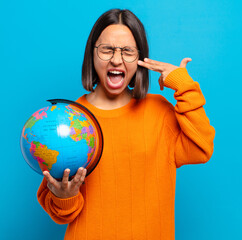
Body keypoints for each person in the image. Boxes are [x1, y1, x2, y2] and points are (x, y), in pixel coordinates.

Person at [37, 8, 215, 240]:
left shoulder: (159, 112)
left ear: (140, 58)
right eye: (107, 49)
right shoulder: (70, 121)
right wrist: (64, 195)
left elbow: (201, 148)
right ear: (92, 54)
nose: (117, 59)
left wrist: (183, 85)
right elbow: (62, 213)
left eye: (128, 51)